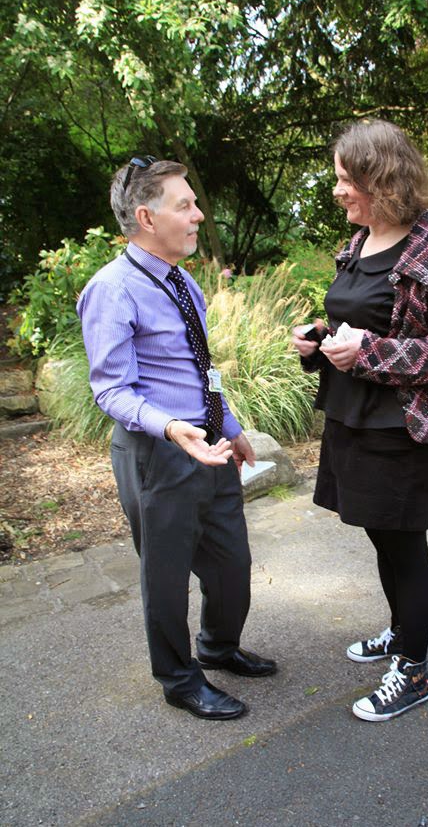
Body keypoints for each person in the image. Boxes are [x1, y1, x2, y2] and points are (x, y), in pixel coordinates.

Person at [292, 120, 428, 722]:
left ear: (382, 180)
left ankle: (415, 671)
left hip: (406, 424)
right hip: (354, 415)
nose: (337, 191)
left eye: (347, 180)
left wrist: (369, 354)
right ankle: (402, 632)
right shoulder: (359, 241)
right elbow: (363, 319)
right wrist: (320, 339)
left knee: (404, 542)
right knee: (380, 532)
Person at [77, 157, 276, 722]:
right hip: (158, 454)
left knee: (232, 567)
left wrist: (230, 426)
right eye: (184, 205)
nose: (198, 214)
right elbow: (111, 389)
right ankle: (179, 679)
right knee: (164, 578)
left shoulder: (184, 282)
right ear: (146, 216)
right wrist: (170, 427)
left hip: (209, 445)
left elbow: (200, 367)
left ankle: (217, 647)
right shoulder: (112, 290)